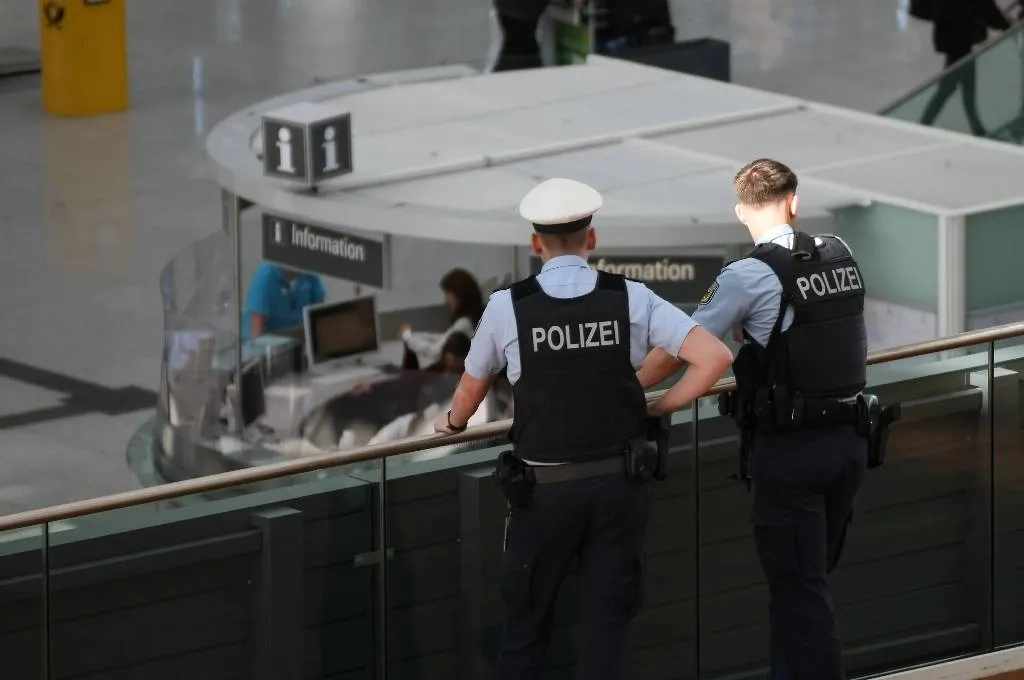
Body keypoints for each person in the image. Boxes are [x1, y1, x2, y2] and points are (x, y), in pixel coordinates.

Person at [431, 177, 733, 679]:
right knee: (606, 633)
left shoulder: (508, 305)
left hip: (542, 495)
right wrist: (657, 407)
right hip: (618, 488)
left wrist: (451, 424)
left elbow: (470, 390)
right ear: (592, 238)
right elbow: (715, 357)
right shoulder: (630, 297)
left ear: (536, 244)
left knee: (526, 632)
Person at [691, 158, 874, 680]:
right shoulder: (840, 251)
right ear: (794, 202)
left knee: (800, 591)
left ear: (739, 211)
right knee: (804, 585)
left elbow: (690, 341)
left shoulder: (745, 274)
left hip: (791, 452)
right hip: (850, 441)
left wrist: (648, 398)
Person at [919, 0, 1012, 135]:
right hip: (960, 35)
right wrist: (1005, 24)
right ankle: (924, 124)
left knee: (966, 85)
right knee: (948, 87)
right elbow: (983, 6)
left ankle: (976, 127)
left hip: (952, 33)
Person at [399, 268, 484, 370]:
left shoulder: (465, 323)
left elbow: (435, 350)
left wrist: (407, 337)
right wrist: (412, 335)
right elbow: (444, 338)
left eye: (447, 295)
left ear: (458, 295)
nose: (446, 301)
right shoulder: (475, 317)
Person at [243, 262, 325, 339]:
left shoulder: (309, 274)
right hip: (270, 344)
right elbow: (256, 335)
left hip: (296, 341)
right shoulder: (264, 278)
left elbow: (319, 319)